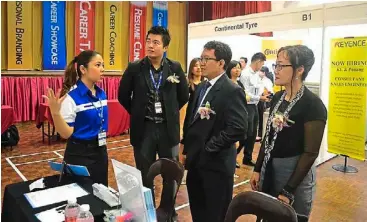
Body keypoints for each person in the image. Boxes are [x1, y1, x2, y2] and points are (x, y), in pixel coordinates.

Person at [118, 26, 189, 220]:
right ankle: (147, 213)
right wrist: (138, 113)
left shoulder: (175, 67)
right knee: (144, 174)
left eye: (156, 42)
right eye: (148, 41)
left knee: (171, 174)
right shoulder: (135, 68)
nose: (150, 45)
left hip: (168, 129)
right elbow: (123, 95)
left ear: (165, 47)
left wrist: (171, 112)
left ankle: (167, 210)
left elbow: (183, 95)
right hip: (145, 130)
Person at [250, 45, 327, 218]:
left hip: (295, 173)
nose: (275, 70)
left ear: (299, 70)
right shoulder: (278, 97)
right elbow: (268, 137)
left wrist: (289, 190)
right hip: (270, 167)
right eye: (275, 65)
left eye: (281, 66)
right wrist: (257, 168)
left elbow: (310, 152)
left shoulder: (313, 105)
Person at [182, 41, 248, 222]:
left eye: (206, 59)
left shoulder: (232, 90)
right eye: (201, 58)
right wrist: (186, 148)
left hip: (216, 165)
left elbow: (238, 129)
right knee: (198, 211)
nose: (201, 62)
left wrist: (208, 148)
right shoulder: (202, 87)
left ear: (221, 63)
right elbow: (191, 120)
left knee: (215, 215)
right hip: (196, 163)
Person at [43, 50, 109, 186]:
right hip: (80, 154)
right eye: (97, 65)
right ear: (83, 69)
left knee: (101, 192)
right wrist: (55, 113)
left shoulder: (102, 94)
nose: (102, 69)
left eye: (103, 65)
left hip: (101, 151)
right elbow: (66, 133)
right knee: (82, 195)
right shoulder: (71, 97)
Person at [238, 52, 268, 166]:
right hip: (247, 105)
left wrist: (264, 95)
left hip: (255, 105)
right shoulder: (245, 74)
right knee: (247, 132)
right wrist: (259, 97)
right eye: (262, 63)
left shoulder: (256, 75)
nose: (261, 66)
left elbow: (259, 89)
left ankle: (247, 157)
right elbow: (244, 93)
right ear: (258, 61)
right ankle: (236, 153)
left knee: (253, 132)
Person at [182, 58, 203, 185]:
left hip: (201, 120)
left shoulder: (206, 84)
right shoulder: (188, 84)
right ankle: (185, 172)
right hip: (189, 117)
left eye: (200, 65)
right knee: (186, 147)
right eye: (195, 66)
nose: (198, 68)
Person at [226, 60, 248, 170]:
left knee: (244, 138)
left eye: (239, 67)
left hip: (241, 112)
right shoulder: (226, 83)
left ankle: (235, 156)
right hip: (229, 115)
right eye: (234, 67)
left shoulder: (240, 84)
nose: (237, 70)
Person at [257, 66, 274, 139]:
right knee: (258, 118)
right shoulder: (258, 79)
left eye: (260, 71)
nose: (259, 72)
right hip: (258, 99)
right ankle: (258, 134)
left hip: (264, 101)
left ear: (264, 73)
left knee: (261, 118)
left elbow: (270, 92)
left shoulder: (267, 81)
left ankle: (261, 134)